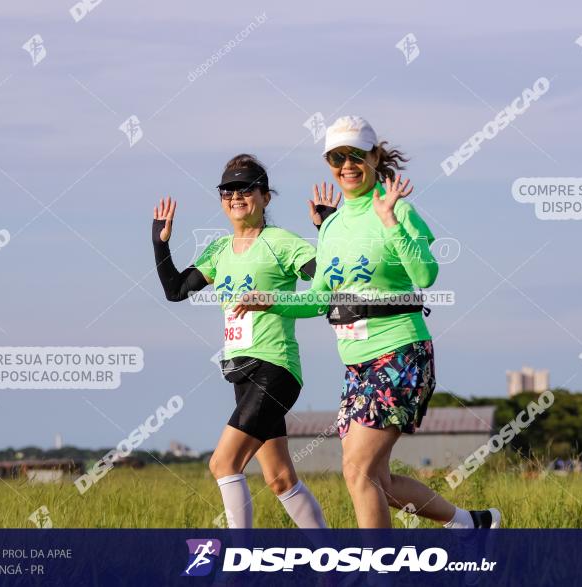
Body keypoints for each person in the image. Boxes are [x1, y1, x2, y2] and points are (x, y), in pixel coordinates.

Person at [234, 117, 501, 529]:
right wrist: (270, 300)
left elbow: (427, 274)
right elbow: (319, 299)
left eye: (356, 154)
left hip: (400, 352)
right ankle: (472, 525)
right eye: (337, 157)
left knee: (357, 471)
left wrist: (392, 221)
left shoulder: (398, 209)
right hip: (356, 364)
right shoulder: (333, 225)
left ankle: (376, 571)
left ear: (375, 156)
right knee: (378, 481)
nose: (347, 164)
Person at [151, 153, 338, 529]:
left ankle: (240, 568)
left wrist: (328, 229)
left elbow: (329, 292)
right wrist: (160, 242)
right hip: (241, 373)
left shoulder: (282, 243)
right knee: (280, 478)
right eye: (227, 190)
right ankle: (333, 567)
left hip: (276, 369)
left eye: (245, 188)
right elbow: (175, 290)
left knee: (223, 463)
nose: (236, 196)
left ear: (265, 197)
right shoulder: (219, 251)